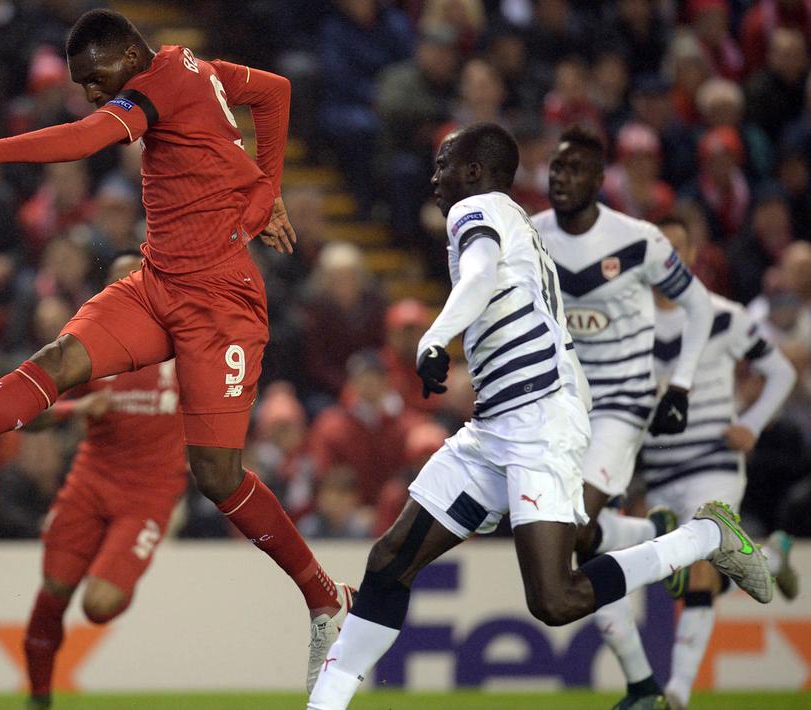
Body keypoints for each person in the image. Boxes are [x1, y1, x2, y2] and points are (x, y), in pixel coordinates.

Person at [0, 9, 352, 689]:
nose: (94, 93)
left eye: (96, 77)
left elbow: (84, 139)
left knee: (216, 476)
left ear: (127, 52)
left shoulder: (157, 85)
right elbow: (270, 90)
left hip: (220, 306)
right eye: (84, 84)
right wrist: (264, 185)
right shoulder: (192, 67)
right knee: (60, 360)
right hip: (155, 282)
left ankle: (325, 596)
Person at [307, 122, 772, 710]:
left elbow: (477, 277)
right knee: (390, 562)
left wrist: (435, 338)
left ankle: (706, 536)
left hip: (536, 420)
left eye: (444, 163)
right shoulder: (520, 224)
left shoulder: (475, 209)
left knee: (556, 599)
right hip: (499, 424)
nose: (433, 176)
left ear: (474, 173)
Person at [532, 125, 718, 709]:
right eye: (555, 168)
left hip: (621, 403)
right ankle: (659, 544)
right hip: (563, 406)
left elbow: (699, 304)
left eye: (574, 169)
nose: (561, 178)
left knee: (566, 526)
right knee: (584, 544)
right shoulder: (532, 237)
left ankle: (667, 543)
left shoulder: (638, 241)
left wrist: (680, 384)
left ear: (599, 179)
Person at [638, 217, 800, 710]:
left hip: (714, 462)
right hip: (659, 471)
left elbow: (781, 371)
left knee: (702, 564)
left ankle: (678, 693)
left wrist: (751, 423)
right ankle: (769, 558)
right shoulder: (628, 324)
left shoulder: (724, 315)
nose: (666, 256)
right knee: (699, 564)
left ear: (690, 255)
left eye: (676, 247)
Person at [20, 253, 189, 710]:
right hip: (90, 481)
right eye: (118, 283)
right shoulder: (89, 346)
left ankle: (121, 570)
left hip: (149, 493)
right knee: (53, 591)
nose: (128, 291)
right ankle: (38, 700)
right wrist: (75, 410)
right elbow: (24, 416)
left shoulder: (186, 344)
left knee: (97, 605)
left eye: (136, 280)